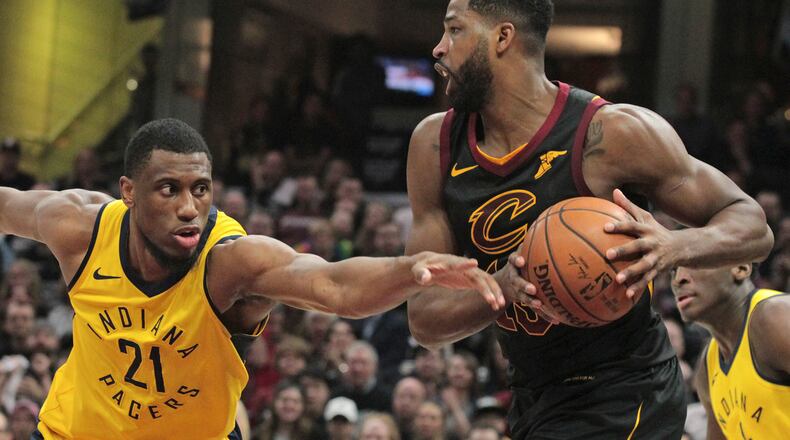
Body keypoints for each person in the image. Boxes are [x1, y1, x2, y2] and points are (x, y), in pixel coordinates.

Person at [0, 118, 504, 439]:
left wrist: (408, 270)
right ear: (128, 191)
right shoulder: (77, 227)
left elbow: (335, 287)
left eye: (201, 189)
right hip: (74, 431)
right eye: (168, 190)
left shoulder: (232, 262)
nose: (188, 207)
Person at [405, 1, 773, 438]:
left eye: (454, 30)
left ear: (502, 38)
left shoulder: (611, 133)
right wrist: (500, 289)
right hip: (534, 396)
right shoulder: (435, 147)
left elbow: (753, 224)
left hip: (627, 389)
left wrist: (673, 247)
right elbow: (424, 319)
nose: (438, 48)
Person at [671, 264, 790, 439]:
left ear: (740, 268)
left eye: (694, 263)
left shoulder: (776, 316)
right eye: (673, 270)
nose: (678, 278)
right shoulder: (708, 364)